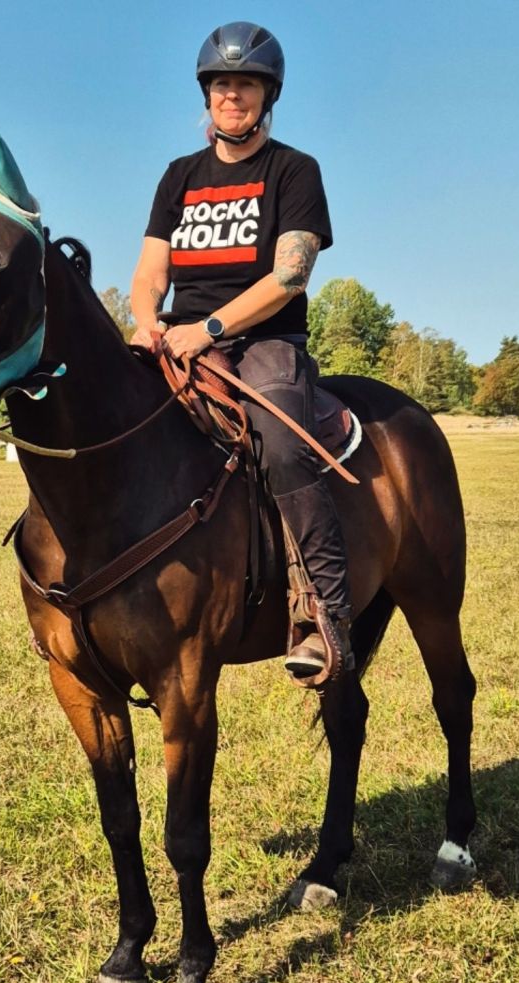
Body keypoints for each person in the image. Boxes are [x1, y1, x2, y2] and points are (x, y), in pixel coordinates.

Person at [129, 21, 352, 682]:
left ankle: (323, 613)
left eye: (247, 84)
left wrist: (210, 329)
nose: (233, 95)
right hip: (179, 336)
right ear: (207, 93)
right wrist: (145, 321)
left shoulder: (294, 170)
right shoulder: (179, 176)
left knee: (281, 444)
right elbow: (150, 272)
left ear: (267, 95)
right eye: (222, 83)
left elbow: (290, 277)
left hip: (263, 341)